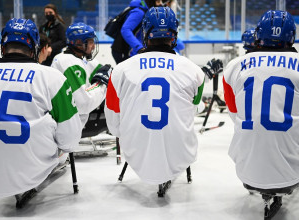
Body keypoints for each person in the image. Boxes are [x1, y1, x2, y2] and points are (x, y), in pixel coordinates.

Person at [0, 18, 82, 198]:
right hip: (34, 171)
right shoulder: (53, 78)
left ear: (3, 47)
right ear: (35, 48)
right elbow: (70, 140)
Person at [222, 10, 299, 212]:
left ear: (258, 35)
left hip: (245, 171)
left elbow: (235, 114)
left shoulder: (233, 67)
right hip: (293, 173)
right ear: (292, 37)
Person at [105, 7, 222, 184]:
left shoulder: (121, 69)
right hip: (181, 153)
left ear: (145, 33)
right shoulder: (192, 70)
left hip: (134, 151)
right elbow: (193, 109)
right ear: (174, 34)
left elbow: (113, 122)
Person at [51, 22, 111, 126]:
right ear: (79, 43)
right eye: (91, 42)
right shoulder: (69, 63)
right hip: (66, 126)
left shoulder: (75, 59)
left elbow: (98, 68)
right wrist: (101, 84)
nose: (93, 47)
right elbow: (84, 103)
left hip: (68, 123)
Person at [111, 0, 163, 64]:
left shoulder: (146, 11)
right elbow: (125, 30)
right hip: (125, 51)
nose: (161, 4)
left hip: (132, 50)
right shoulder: (139, 12)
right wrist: (139, 47)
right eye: (158, 1)